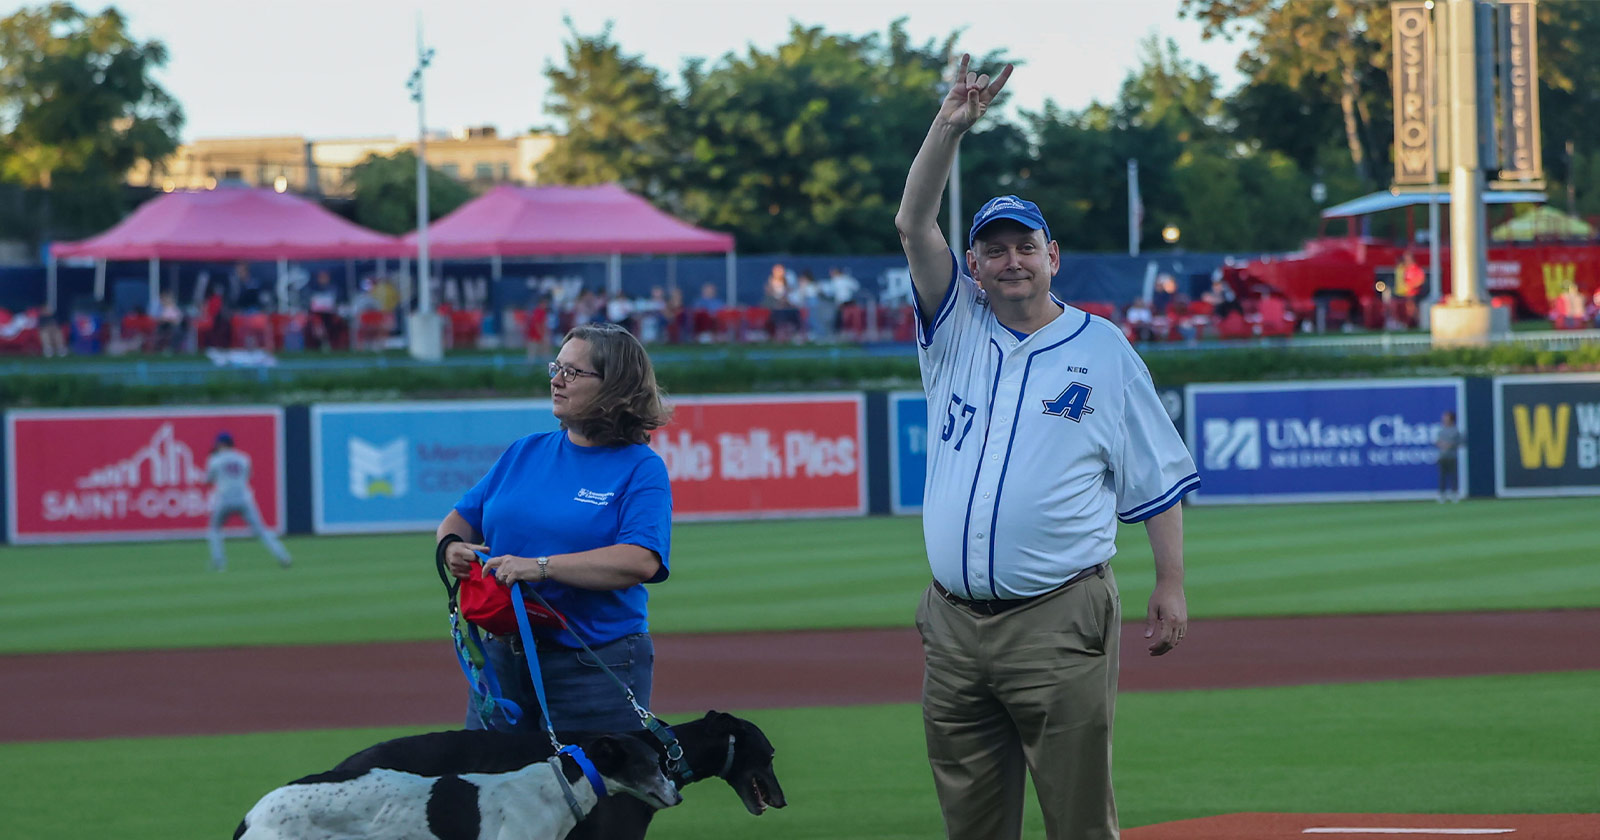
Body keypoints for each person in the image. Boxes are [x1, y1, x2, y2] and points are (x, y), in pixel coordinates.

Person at [894, 55, 1200, 840]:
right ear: (973, 267)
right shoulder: (953, 326)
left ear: (1051, 255)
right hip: (954, 626)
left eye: (1024, 246)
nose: (1010, 260)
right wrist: (950, 125)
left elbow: (1155, 476)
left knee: (1076, 822)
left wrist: (1170, 583)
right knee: (973, 826)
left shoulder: (1102, 347)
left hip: (1058, 617)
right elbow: (911, 222)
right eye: (993, 250)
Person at [435, 322, 674, 734]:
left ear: (615, 385)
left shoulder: (641, 467)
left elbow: (641, 560)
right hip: (502, 660)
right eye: (556, 368)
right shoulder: (526, 450)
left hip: (593, 662)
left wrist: (540, 566)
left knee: (597, 795)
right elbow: (456, 521)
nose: (557, 381)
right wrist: (452, 547)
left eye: (573, 372)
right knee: (485, 791)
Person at [205, 432, 292, 571]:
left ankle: (219, 563)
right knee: (262, 531)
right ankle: (283, 556)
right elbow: (248, 477)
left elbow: (208, 480)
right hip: (243, 499)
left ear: (221, 444)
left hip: (224, 499)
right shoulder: (244, 458)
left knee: (215, 530)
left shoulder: (215, 460)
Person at [1436, 410, 1463, 503]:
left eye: (1446, 417)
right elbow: (1438, 442)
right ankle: (1442, 495)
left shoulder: (1455, 430)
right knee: (1442, 477)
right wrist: (1441, 444)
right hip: (1442, 457)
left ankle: (1454, 494)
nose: (1444, 419)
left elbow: (1460, 442)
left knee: (1453, 476)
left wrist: (1450, 444)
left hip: (1452, 457)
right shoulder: (1441, 431)